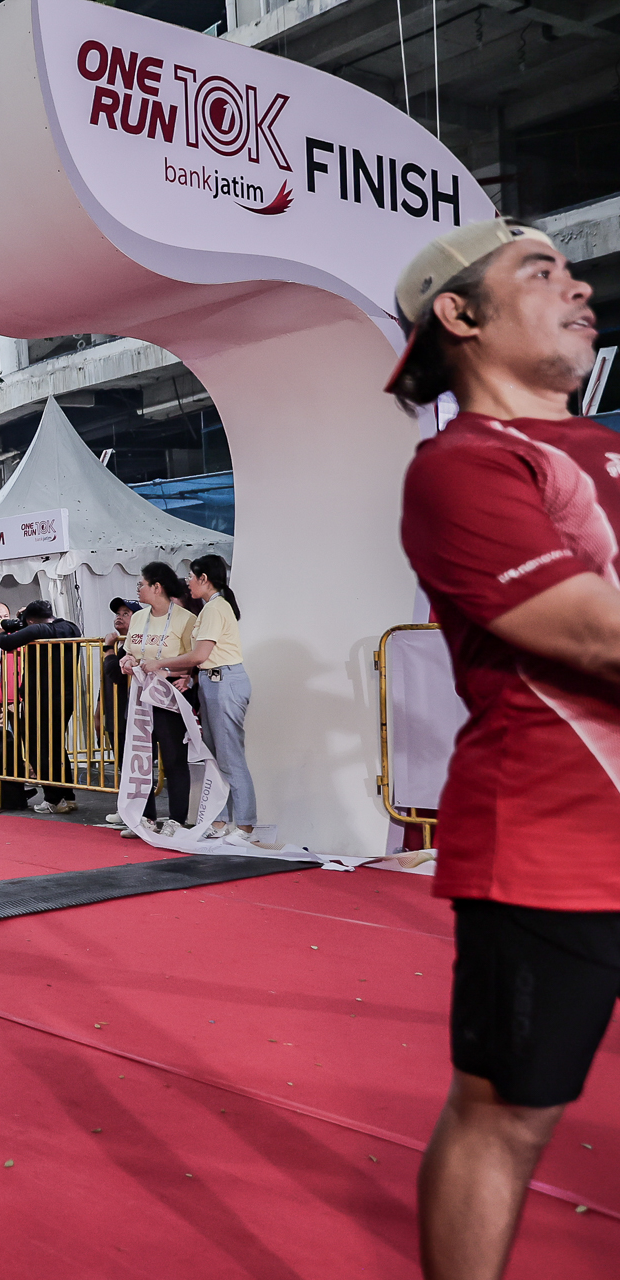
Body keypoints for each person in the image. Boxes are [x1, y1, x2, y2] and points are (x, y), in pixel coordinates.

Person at [385, 216, 620, 1280]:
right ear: (461, 313)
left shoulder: (606, 449)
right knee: (508, 1115)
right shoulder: (463, 465)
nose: (579, 288)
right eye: (542, 270)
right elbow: (595, 635)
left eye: (573, 271)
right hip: (552, 848)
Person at [140, 556, 257, 840]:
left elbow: (200, 654)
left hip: (224, 683)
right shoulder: (211, 608)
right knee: (216, 757)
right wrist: (190, 677)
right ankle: (221, 822)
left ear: (204, 579)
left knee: (229, 757)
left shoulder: (215, 608)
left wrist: (161, 664)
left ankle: (245, 825)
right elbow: (205, 659)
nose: (187, 582)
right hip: (212, 681)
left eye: (191, 577)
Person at [119, 562, 199, 837]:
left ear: (157, 587)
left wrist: (169, 670)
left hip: (169, 696)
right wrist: (127, 661)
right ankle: (145, 817)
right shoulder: (139, 617)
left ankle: (177, 818)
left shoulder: (186, 619)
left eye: (141, 584)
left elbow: (194, 659)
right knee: (140, 755)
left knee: (174, 757)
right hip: (140, 696)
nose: (138, 589)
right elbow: (130, 650)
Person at [0, 600, 83, 813]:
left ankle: (53, 799)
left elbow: (5, 643)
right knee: (56, 746)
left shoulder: (39, 630)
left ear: (31, 621)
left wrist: (2, 630)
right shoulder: (71, 627)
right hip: (64, 698)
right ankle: (67, 796)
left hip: (41, 699)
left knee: (39, 749)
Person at [100, 598, 139, 821]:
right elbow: (105, 682)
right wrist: (99, 712)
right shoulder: (120, 646)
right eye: (118, 613)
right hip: (115, 715)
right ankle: (126, 809)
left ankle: (133, 812)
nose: (119, 617)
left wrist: (108, 649)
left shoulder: (130, 647)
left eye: (126, 613)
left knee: (132, 765)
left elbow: (115, 673)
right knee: (124, 765)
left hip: (130, 715)